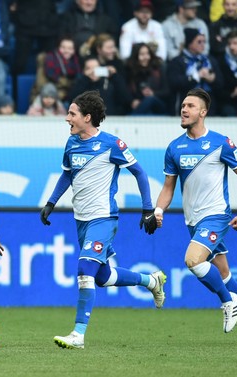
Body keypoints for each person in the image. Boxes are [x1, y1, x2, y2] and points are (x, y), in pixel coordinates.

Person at [40, 90, 167, 350]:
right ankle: (151, 281)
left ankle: (78, 335)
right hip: (81, 220)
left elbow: (140, 173)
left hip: (103, 218)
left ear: (87, 117)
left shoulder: (112, 144)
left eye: (72, 114)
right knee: (102, 276)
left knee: (85, 270)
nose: (67, 118)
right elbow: (67, 175)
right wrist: (51, 202)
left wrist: (147, 209)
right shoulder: (71, 143)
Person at [154, 88, 237, 346]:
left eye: (190, 106)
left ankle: (228, 301)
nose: (184, 109)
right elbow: (169, 186)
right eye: (183, 105)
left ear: (202, 112)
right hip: (192, 221)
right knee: (223, 273)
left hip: (216, 215)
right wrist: (158, 211)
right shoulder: (174, 147)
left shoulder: (220, 142)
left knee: (192, 260)